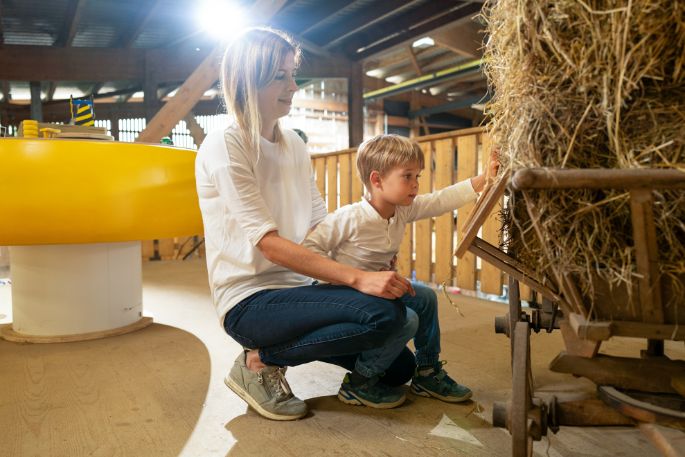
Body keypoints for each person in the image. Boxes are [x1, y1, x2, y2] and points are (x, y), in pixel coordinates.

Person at [195, 27, 430, 421]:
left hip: (302, 288)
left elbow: (320, 219)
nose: (293, 85)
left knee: (397, 369)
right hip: (250, 300)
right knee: (383, 317)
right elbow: (267, 244)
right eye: (280, 76)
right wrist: (357, 280)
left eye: (292, 73)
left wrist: (362, 264)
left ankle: (286, 352)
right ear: (248, 80)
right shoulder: (225, 145)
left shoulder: (295, 145)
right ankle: (258, 361)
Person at [303, 134, 499, 403]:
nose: (416, 185)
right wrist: (349, 279)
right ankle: (359, 383)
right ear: (377, 180)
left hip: (377, 293)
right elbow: (308, 251)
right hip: (344, 296)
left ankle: (427, 372)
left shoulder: (402, 210)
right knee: (407, 318)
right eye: (407, 176)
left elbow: (441, 200)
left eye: (417, 176)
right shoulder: (350, 217)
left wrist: (483, 179)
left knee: (426, 298)